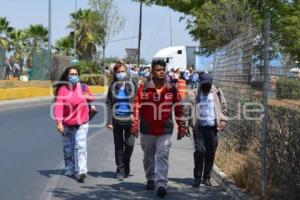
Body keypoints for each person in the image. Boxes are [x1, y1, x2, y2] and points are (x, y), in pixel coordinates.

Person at [131, 59, 187, 198]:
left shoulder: (172, 88)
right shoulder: (144, 88)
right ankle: (151, 178)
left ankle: (161, 183)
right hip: (147, 129)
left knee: (162, 155)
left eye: (163, 69)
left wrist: (182, 126)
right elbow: (137, 107)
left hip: (165, 129)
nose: (161, 72)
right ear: (152, 71)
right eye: (158, 69)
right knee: (148, 157)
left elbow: (178, 109)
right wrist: (135, 124)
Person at [53, 66, 95, 183]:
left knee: (81, 145)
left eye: (76, 74)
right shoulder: (63, 90)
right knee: (68, 148)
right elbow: (59, 106)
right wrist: (59, 123)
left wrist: (89, 97)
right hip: (67, 122)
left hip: (82, 121)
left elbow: (92, 97)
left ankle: (82, 170)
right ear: (67, 76)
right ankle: (70, 168)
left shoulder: (83, 87)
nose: (74, 76)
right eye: (71, 74)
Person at [191, 73, 228, 188]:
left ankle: (206, 177)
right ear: (200, 83)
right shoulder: (194, 94)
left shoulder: (217, 92)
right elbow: (187, 109)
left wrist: (223, 120)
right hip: (199, 128)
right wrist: (185, 125)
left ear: (211, 83)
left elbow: (224, 107)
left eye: (208, 84)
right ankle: (197, 177)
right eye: (204, 84)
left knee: (210, 153)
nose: (206, 86)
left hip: (212, 128)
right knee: (199, 152)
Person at [106, 61, 138, 181]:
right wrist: (109, 121)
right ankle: (120, 170)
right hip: (117, 120)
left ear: (126, 72)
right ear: (115, 73)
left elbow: (139, 101)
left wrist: (137, 118)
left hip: (131, 120)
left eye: (123, 71)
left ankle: (126, 164)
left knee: (129, 144)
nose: (121, 73)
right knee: (119, 146)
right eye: (118, 72)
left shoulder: (132, 84)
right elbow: (109, 104)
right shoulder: (112, 86)